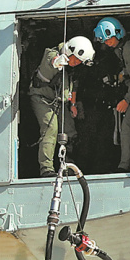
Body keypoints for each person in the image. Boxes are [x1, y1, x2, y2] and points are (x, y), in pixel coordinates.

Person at [29, 36, 94, 177]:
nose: (76, 63)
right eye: (75, 59)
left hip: (59, 101)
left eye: (79, 61)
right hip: (41, 98)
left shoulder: (73, 67)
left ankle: (68, 165)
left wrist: (73, 104)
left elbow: (74, 85)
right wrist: (58, 61)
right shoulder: (52, 54)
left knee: (70, 131)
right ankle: (46, 169)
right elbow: (52, 61)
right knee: (50, 129)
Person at [93, 17, 130, 172]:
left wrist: (126, 100)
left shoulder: (128, 48)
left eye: (109, 38)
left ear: (117, 33)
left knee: (127, 126)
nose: (107, 43)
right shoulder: (121, 49)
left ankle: (125, 165)